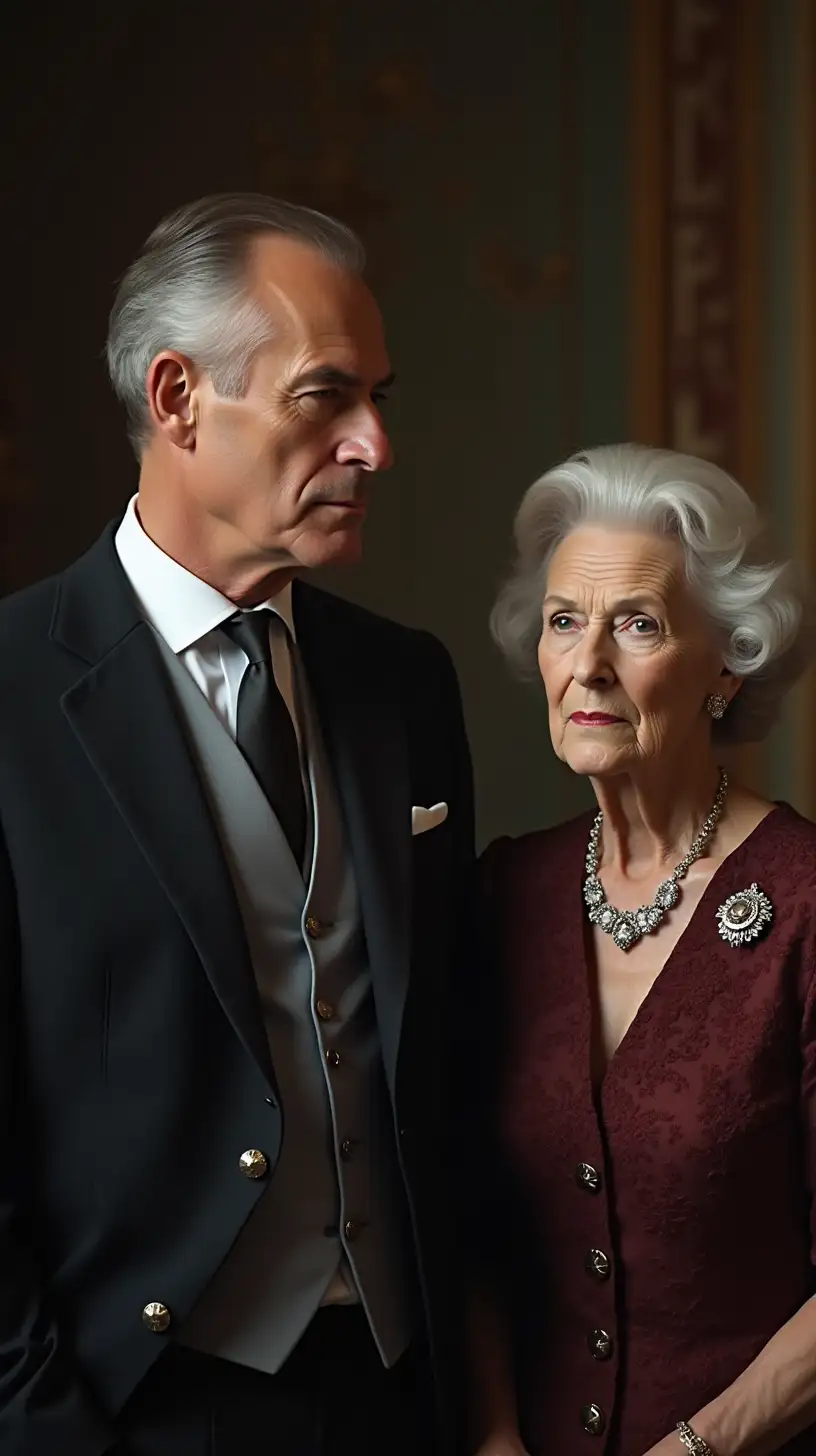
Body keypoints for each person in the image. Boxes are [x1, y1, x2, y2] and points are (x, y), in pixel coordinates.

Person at [0, 193, 474, 1456]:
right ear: (177, 398)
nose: (375, 443)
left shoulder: (406, 683)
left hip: (401, 1389)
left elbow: (444, 1062)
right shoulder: (7, 693)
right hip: (139, 1403)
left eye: (379, 396)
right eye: (326, 397)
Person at [468, 444, 816, 1456]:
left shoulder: (802, 903)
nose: (589, 664)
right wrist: (492, 1436)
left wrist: (698, 1450)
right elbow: (463, 1219)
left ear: (728, 659)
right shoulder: (504, 894)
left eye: (638, 624)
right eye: (565, 622)